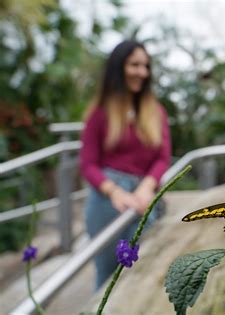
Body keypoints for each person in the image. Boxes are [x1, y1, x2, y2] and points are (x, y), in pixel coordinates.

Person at [79, 39, 172, 289]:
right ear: (118, 67)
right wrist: (115, 191)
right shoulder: (100, 112)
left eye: (146, 66)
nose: (142, 72)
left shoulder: (156, 112)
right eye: (134, 64)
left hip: (144, 198)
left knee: (142, 277)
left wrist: (146, 188)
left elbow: (163, 157)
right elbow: (88, 164)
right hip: (108, 200)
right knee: (107, 278)